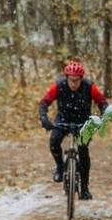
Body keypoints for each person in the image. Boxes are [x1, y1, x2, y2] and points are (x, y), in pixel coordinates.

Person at [38, 61, 108, 200]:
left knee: (83, 150)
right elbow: (44, 102)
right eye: (71, 80)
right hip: (63, 118)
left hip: (83, 120)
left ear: (82, 79)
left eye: (77, 80)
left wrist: (101, 118)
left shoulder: (89, 87)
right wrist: (44, 118)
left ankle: (85, 188)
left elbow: (103, 103)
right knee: (54, 141)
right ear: (66, 78)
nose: (74, 84)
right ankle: (60, 167)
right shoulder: (58, 86)